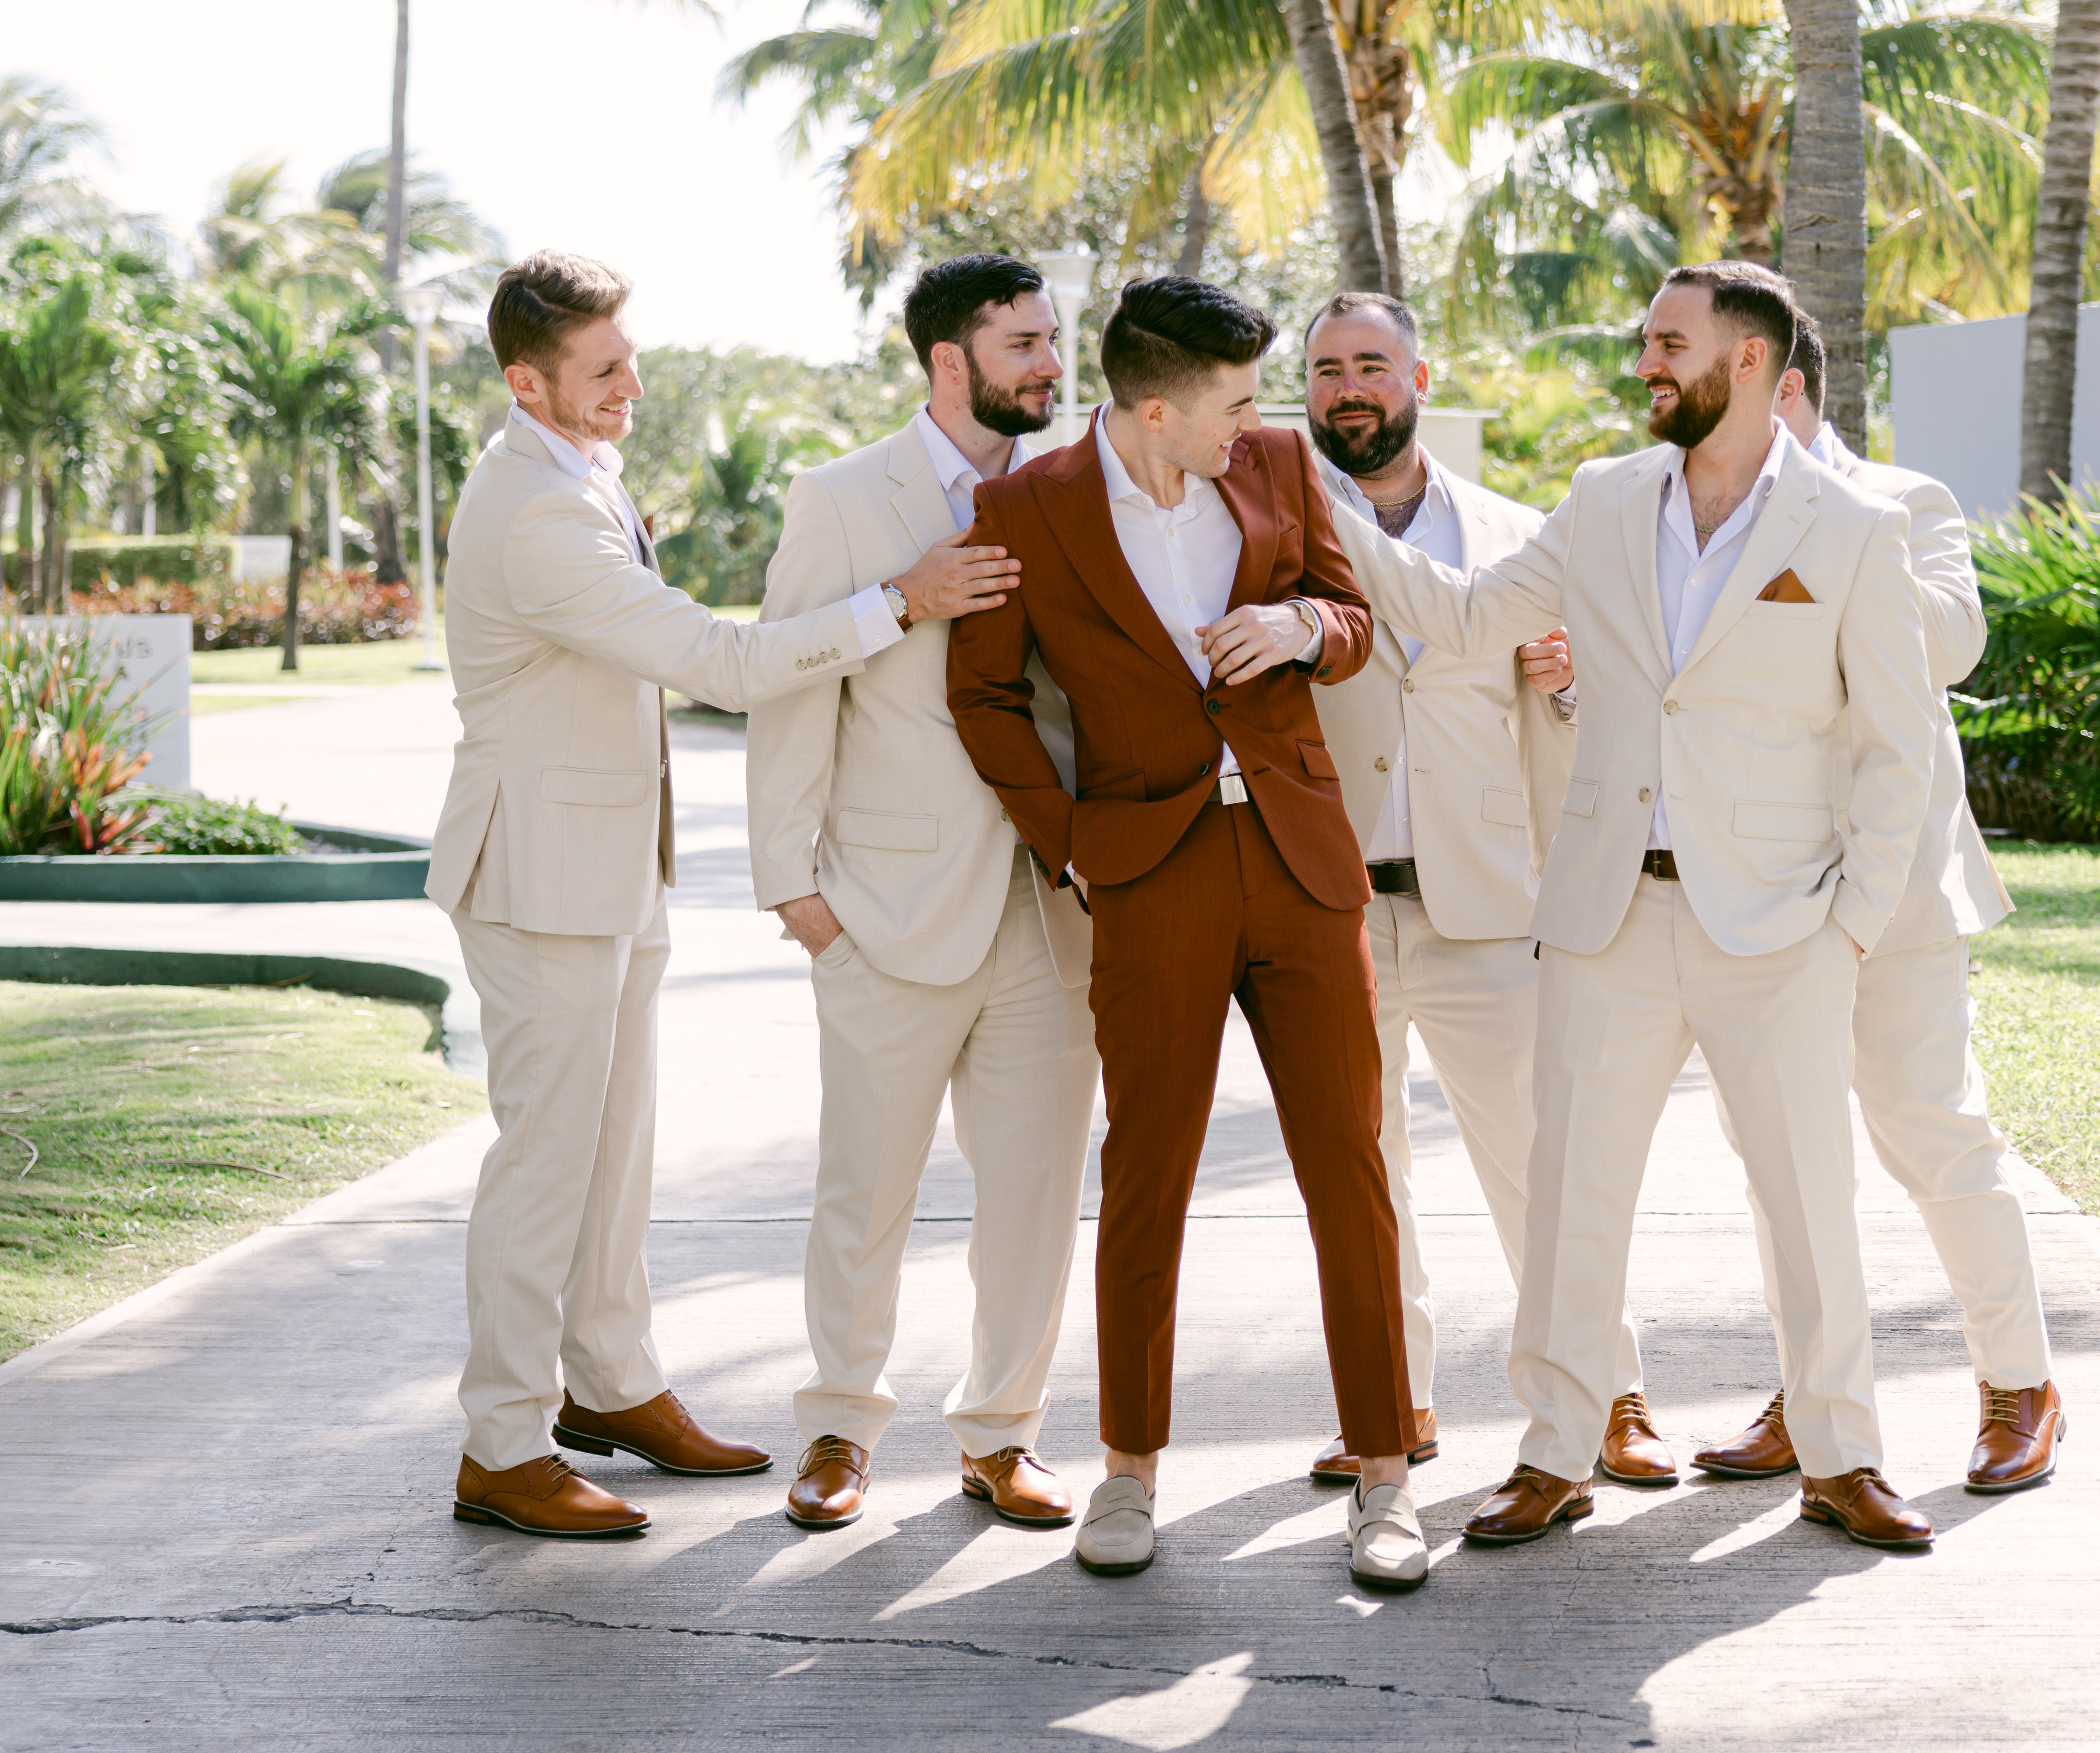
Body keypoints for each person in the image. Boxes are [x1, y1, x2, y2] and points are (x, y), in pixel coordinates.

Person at [1315, 263, 1948, 1554]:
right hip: (1605, 911)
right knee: (1568, 1191)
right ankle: (1556, 1450)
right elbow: (1470, 613)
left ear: (1756, 362)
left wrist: (1855, 925)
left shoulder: (1853, 529)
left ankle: (1843, 1453)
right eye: (1647, 342)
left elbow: (1901, 748)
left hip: (1781, 926)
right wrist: (1329, 514)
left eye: (1672, 344)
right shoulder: (1604, 498)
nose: (1646, 362)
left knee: (1807, 1196)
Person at [432, 251, 1016, 1541]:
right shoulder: (537, 511)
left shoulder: (575, 468)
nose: (631, 384)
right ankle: (502, 1443)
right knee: (545, 1159)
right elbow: (721, 663)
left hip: (604, 869)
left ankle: (612, 1381)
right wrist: (897, 602)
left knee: (612, 1148)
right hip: (539, 876)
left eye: (630, 356)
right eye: (602, 370)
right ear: (527, 382)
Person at [944, 276, 1432, 1595]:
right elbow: (985, 695)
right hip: (1148, 871)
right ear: (1154, 408)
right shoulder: (1028, 508)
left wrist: (1299, 627)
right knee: (1149, 1169)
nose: (1260, 419)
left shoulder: (1274, 463)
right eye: (1233, 400)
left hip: (1301, 859)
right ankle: (1129, 1468)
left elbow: (1354, 619)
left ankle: (1386, 1475)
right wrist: (1075, 842)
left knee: (1349, 1164)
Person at [1297, 294, 1683, 1491]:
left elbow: (1605, 725)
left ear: (1421, 373)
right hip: (1332, 900)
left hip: (1490, 904)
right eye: (1325, 370)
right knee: (1364, 1174)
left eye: (1371, 364)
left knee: (1542, 1167)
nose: (1348, 387)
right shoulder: (1268, 532)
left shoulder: (1523, 531)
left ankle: (1607, 1393)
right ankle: (1389, 1398)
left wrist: (1563, 689)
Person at [745, 254, 1103, 1535]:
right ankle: (841, 1426)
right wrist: (796, 888)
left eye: (1052, 338)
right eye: (1023, 343)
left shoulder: (1083, 491)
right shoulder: (844, 499)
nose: (1050, 364)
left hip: (1050, 911)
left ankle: (1004, 1433)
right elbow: (793, 684)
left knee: (1035, 1192)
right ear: (951, 363)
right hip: (885, 910)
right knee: (865, 1187)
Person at [1678, 326, 2064, 1493]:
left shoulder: (1903, 500)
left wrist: (1827, 532)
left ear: (1782, 383)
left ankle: (2020, 1382)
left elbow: (1951, 644)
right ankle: (1815, 1394)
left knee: (1931, 1128)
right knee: (1784, 1160)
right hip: (1758, 890)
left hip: (1892, 887)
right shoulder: (1688, 513)